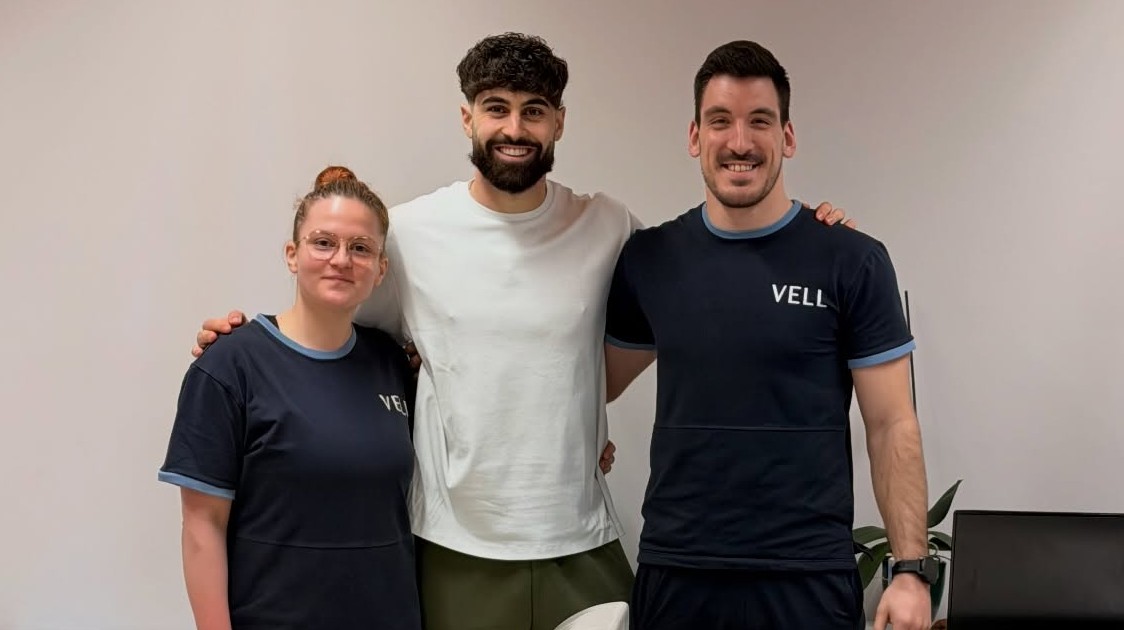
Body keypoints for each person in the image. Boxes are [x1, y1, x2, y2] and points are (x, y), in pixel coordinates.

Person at [190, 33, 853, 630]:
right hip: (455, 545)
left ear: (559, 121)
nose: (515, 127)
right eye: (496, 108)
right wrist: (246, 345)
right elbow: (332, 329)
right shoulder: (410, 234)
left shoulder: (608, 226)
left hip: (581, 539)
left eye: (534, 110)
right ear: (467, 117)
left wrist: (807, 237)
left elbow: (707, 270)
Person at [603, 41, 932, 630]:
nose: (739, 142)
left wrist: (910, 569)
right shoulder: (650, 259)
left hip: (806, 575)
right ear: (694, 136)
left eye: (759, 121)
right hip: (679, 570)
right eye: (720, 121)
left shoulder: (850, 260)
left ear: (788, 136)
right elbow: (589, 385)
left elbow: (891, 424)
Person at [159, 167, 421, 630]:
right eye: (323, 242)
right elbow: (202, 527)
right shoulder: (230, 366)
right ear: (292, 254)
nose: (341, 259)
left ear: (381, 269)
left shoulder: (393, 365)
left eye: (361, 248)